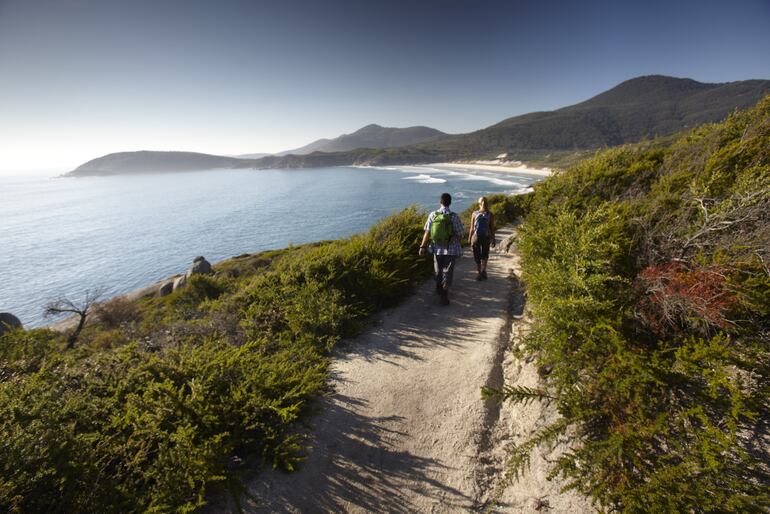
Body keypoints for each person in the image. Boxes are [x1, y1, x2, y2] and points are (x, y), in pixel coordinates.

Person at [419, 193, 464, 306]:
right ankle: (444, 295)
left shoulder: (433, 215)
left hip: (436, 249)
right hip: (450, 249)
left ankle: (439, 287)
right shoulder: (454, 216)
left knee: (438, 271)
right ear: (450, 202)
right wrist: (456, 243)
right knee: (447, 273)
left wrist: (422, 247)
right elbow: (460, 234)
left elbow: (427, 233)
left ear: (440, 202)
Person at [468, 196, 496, 281]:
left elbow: (472, 228)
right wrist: (493, 239)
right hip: (486, 236)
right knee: (485, 254)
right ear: (487, 203)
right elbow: (492, 228)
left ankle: (479, 273)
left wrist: (469, 238)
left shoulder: (474, 213)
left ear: (479, 203)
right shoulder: (490, 214)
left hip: (476, 237)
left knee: (477, 256)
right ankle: (484, 271)